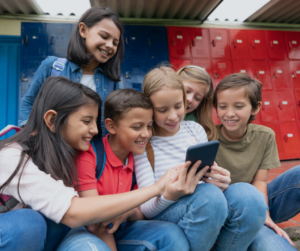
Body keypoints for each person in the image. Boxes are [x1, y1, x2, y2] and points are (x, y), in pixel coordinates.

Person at [0, 77, 179, 251]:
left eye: (95, 121)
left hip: (56, 236)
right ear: (52, 120)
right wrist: (156, 189)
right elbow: (73, 212)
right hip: (19, 233)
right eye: (86, 121)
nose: (94, 130)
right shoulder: (11, 156)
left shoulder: (68, 155)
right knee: (28, 222)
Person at [134, 66, 268, 251]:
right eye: (162, 110)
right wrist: (171, 195)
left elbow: (209, 184)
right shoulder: (144, 143)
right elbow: (146, 208)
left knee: (249, 196)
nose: (173, 116)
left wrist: (220, 181)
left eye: (178, 106)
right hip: (168, 211)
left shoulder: (195, 130)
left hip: (206, 204)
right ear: (149, 108)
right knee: (209, 197)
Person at [66, 89, 191, 251]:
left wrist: (128, 211)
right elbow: (93, 219)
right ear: (111, 126)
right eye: (137, 127)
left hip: (119, 228)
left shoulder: (138, 159)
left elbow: (141, 213)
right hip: (86, 231)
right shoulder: (91, 154)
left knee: (171, 235)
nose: (146, 134)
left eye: (149, 126)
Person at [213, 73, 299, 251]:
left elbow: (260, 181)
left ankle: (261, 223)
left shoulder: (265, 135)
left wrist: (265, 215)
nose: (229, 113)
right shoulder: (207, 137)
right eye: (222, 106)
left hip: (258, 205)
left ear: (255, 107)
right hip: (224, 211)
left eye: (238, 106)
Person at [20, 6, 124, 133]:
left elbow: (115, 117)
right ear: (83, 30)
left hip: (93, 150)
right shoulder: (51, 67)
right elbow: (29, 102)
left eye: (115, 43)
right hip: (54, 148)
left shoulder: (112, 80)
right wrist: (31, 133)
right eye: (104, 36)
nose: (109, 45)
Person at [177, 65, 218, 141]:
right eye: (186, 91)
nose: (189, 99)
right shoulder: (154, 118)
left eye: (197, 98)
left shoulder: (201, 128)